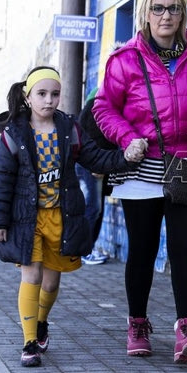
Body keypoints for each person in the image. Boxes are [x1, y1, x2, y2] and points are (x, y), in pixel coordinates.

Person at [92, 0, 187, 364]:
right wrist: (127, 139)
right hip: (142, 167)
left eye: (173, 8)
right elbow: (104, 108)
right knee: (142, 249)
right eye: (158, 8)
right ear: (145, 14)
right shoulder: (124, 59)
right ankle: (137, 324)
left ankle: (186, 327)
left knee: (184, 248)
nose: (166, 15)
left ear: (182, 14)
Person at [0, 66, 141, 367]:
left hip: (61, 219)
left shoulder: (70, 129)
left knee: (50, 283)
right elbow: (1, 179)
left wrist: (125, 157)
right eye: (42, 94)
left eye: (55, 94)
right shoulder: (14, 134)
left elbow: (96, 158)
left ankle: (41, 322)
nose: (49, 100)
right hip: (27, 220)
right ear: (28, 97)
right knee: (31, 276)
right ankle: (29, 342)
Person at [76, 87, 112, 265]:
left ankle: (88, 248)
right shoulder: (97, 104)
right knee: (93, 207)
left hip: (94, 164)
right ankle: (85, 251)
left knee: (96, 208)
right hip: (91, 166)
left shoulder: (97, 101)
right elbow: (92, 137)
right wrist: (96, 163)